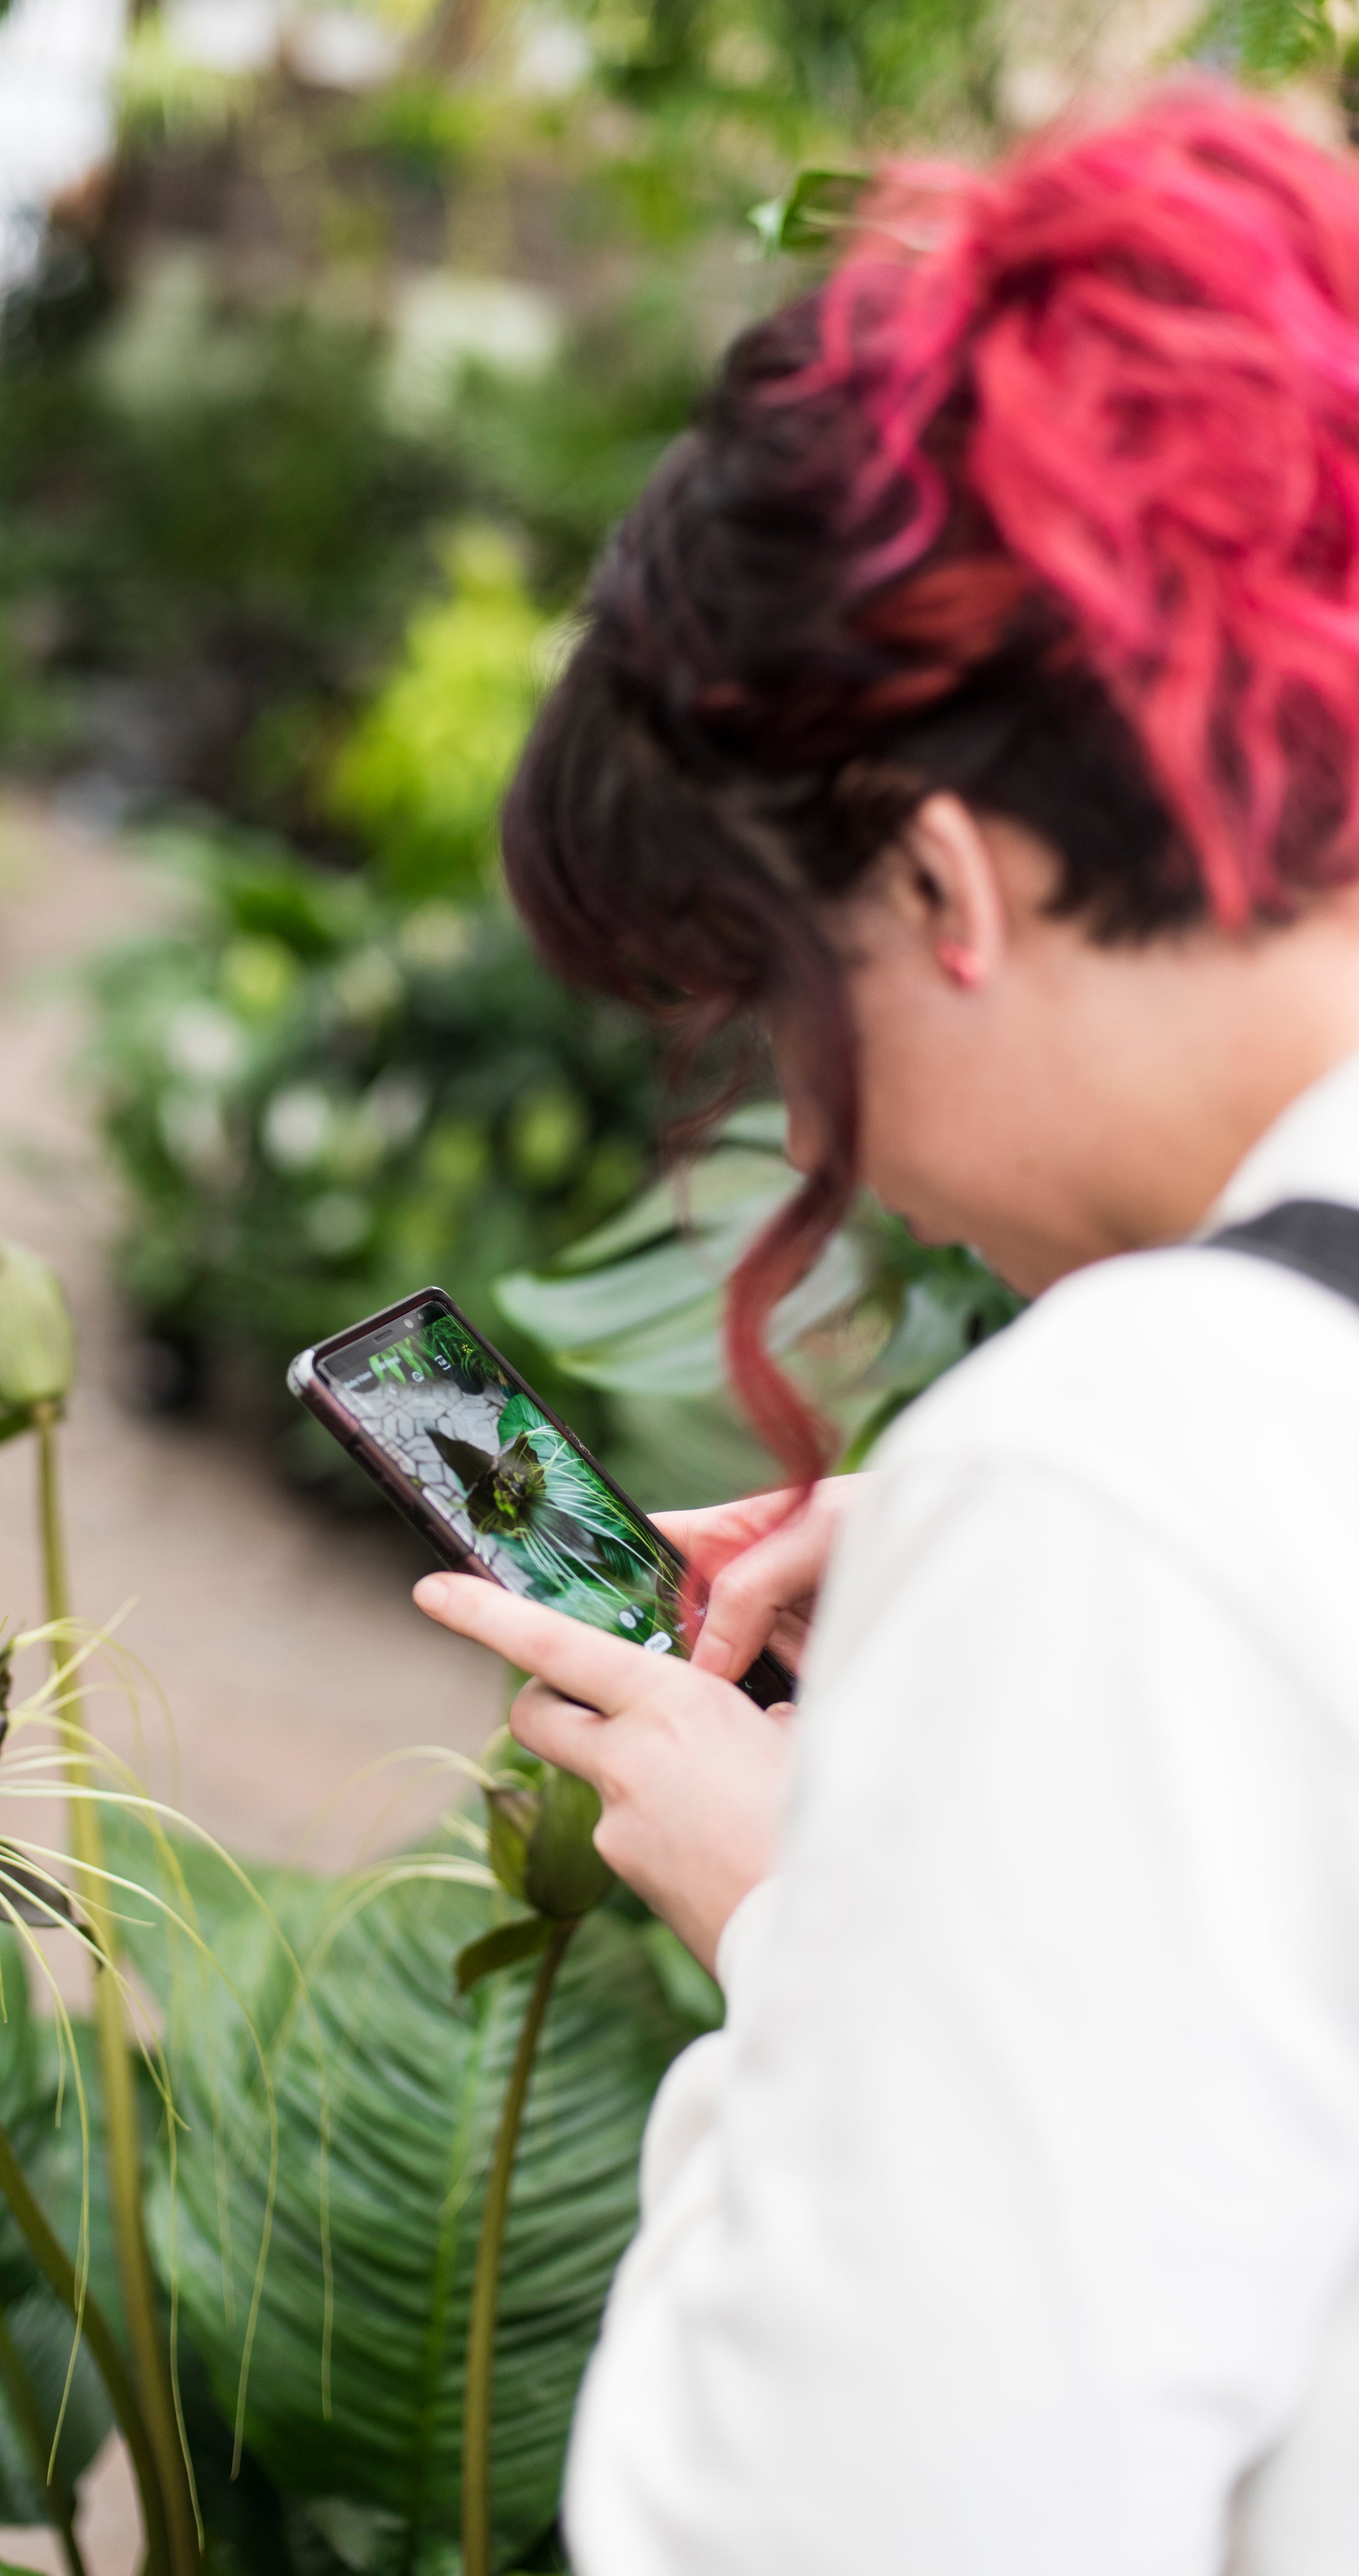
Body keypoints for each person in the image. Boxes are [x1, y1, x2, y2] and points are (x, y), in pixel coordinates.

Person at [410, 86, 1359, 2575]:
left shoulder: (1134, 1474)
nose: (849, 1151)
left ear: (938, 879)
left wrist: (822, 1921)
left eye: (778, 1022)